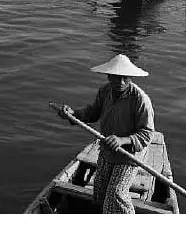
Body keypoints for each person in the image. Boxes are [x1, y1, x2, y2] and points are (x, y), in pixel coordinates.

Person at [54, 54, 155, 214]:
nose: (121, 82)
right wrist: (73, 114)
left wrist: (122, 140)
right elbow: (93, 112)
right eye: (117, 77)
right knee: (100, 192)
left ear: (131, 77)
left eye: (125, 78)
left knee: (116, 193)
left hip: (129, 156)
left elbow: (147, 134)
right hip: (108, 150)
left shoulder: (140, 99)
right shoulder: (105, 91)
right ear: (109, 76)